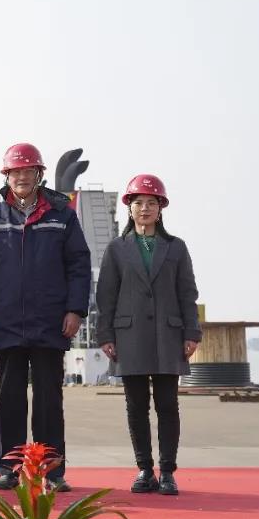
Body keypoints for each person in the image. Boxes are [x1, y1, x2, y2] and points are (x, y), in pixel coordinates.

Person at [0, 142, 90, 492]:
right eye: (15, 171)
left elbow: (79, 266)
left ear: (39, 175)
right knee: (10, 400)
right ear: (6, 176)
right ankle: (10, 468)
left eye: (28, 171)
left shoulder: (62, 217)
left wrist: (76, 310)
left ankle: (52, 471)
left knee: (49, 400)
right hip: (4, 323)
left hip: (51, 322)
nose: (22, 177)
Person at [96, 174, 200, 496]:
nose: (144, 208)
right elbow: (106, 296)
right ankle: (144, 469)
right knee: (136, 406)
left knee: (168, 405)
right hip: (129, 336)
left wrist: (191, 332)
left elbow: (187, 292)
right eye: (138, 203)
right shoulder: (116, 249)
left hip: (169, 335)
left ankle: (167, 471)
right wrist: (105, 335)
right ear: (129, 208)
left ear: (160, 208)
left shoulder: (176, 247)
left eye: (151, 203)